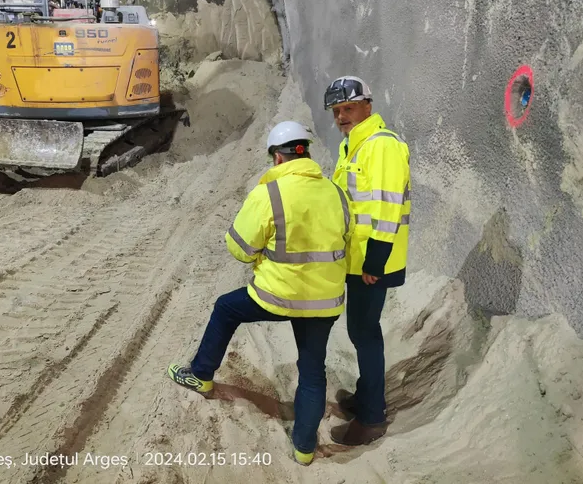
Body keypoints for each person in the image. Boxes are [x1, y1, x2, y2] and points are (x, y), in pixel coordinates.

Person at [166, 120, 354, 466]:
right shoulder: (336, 192)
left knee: (226, 308)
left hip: (278, 296)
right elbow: (348, 242)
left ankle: (202, 376)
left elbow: (239, 246)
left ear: (278, 159)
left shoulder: (270, 193)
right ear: (305, 154)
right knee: (313, 370)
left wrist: (261, 254)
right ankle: (304, 449)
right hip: (325, 301)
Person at [323, 76, 411, 446]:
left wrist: (375, 261)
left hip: (373, 262)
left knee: (365, 333)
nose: (342, 116)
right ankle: (365, 397)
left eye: (348, 108)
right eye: (337, 111)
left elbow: (388, 207)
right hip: (358, 259)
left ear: (367, 106)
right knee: (361, 330)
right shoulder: (353, 146)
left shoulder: (382, 146)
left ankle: (372, 417)